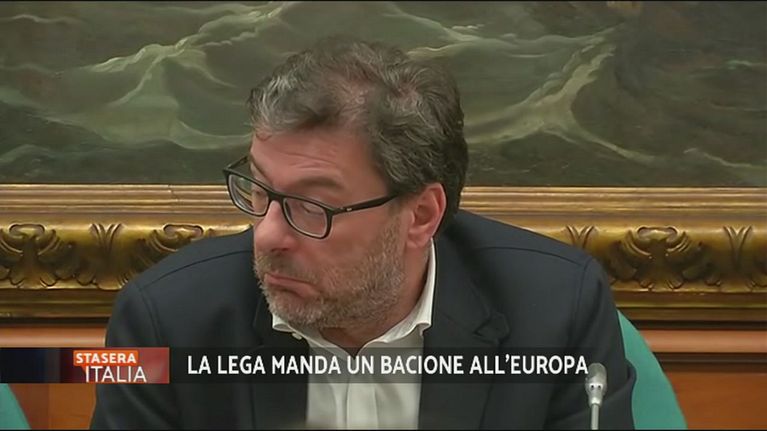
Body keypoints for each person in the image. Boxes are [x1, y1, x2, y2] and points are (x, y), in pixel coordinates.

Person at [91, 37, 635, 429]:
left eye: (312, 206)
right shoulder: (163, 321)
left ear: (420, 216)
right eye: (259, 190)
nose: (268, 237)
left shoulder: (557, 309)